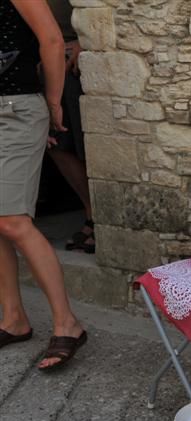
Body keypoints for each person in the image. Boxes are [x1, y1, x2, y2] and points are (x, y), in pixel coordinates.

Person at [0, 0, 87, 370]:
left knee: (12, 221)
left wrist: (53, 103)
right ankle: (14, 319)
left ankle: (69, 323)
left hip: (13, 110)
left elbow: (51, 40)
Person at [46, 0, 94, 253]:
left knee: (81, 140)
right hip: (41, 57)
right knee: (56, 142)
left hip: (69, 55)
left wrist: (84, 38)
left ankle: (96, 218)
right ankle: (91, 211)